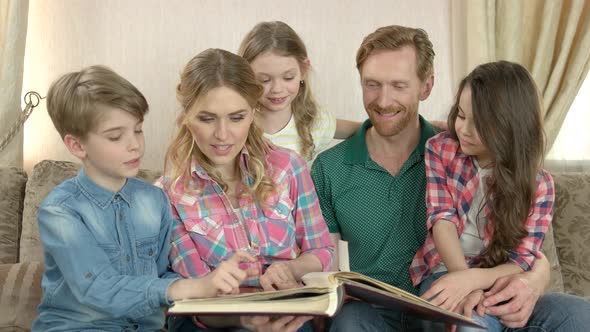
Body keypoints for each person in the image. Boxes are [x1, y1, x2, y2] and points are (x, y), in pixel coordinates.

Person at [311, 25, 590, 332]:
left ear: (427, 86)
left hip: (481, 289)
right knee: (350, 322)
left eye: (399, 86)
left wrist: (533, 281)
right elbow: (322, 259)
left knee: (577, 315)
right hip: (387, 309)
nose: (383, 100)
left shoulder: (461, 149)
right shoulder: (329, 168)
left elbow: (530, 251)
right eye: (372, 84)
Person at [33, 65, 237, 331]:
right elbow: (98, 286)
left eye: (138, 130)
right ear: (77, 145)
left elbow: (162, 275)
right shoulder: (60, 211)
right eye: (116, 136)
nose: (135, 145)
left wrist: (221, 295)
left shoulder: (155, 200)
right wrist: (190, 287)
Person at [156, 48, 334, 332]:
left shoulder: (289, 168)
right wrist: (245, 320)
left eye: (236, 117)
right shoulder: (167, 195)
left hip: (286, 313)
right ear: (186, 116)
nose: (223, 135)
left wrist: (292, 270)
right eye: (207, 118)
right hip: (212, 321)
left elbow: (322, 250)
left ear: (253, 112)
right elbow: (197, 300)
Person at [410, 61, 555, 331]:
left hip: (498, 278)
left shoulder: (540, 185)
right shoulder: (441, 149)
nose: (463, 129)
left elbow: (522, 260)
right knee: (471, 324)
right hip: (445, 270)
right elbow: (442, 220)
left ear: (511, 126)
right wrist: (463, 280)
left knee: (577, 315)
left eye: (479, 124)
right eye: (461, 115)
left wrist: (475, 281)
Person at [238, 21, 360, 161]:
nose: (277, 89)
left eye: (288, 77)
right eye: (264, 80)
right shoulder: (233, 123)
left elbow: (365, 130)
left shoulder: (314, 122)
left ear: (303, 70)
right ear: (246, 76)